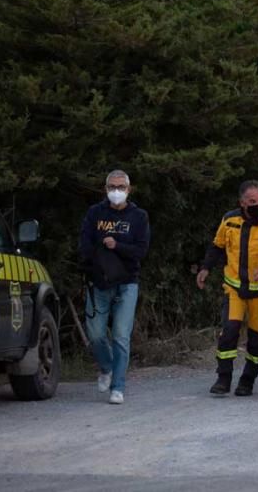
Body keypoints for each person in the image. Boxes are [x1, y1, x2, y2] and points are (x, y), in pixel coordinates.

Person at [196, 180, 258, 396]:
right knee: (229, 331)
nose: (257, 204)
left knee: (257, 340)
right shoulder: (229, 220)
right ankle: (223, 378)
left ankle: (247, 380)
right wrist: (205, 268)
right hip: (234, 290)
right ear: (242, 202)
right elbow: (217, 246)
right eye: (252, 201)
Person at [79, 169, 151, 405]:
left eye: (121, 187)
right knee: (96, 334)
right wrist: (98, 253)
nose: (116, 191)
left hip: (127, 282)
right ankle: (107, 367)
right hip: (99, 283)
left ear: (129, 190)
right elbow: (84, 246)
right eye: (112, 187)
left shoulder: (138, 216)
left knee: (121, 335)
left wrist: (116, 245)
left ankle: (118, 386)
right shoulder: (94, 213)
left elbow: (141, 251)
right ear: (105, 189)